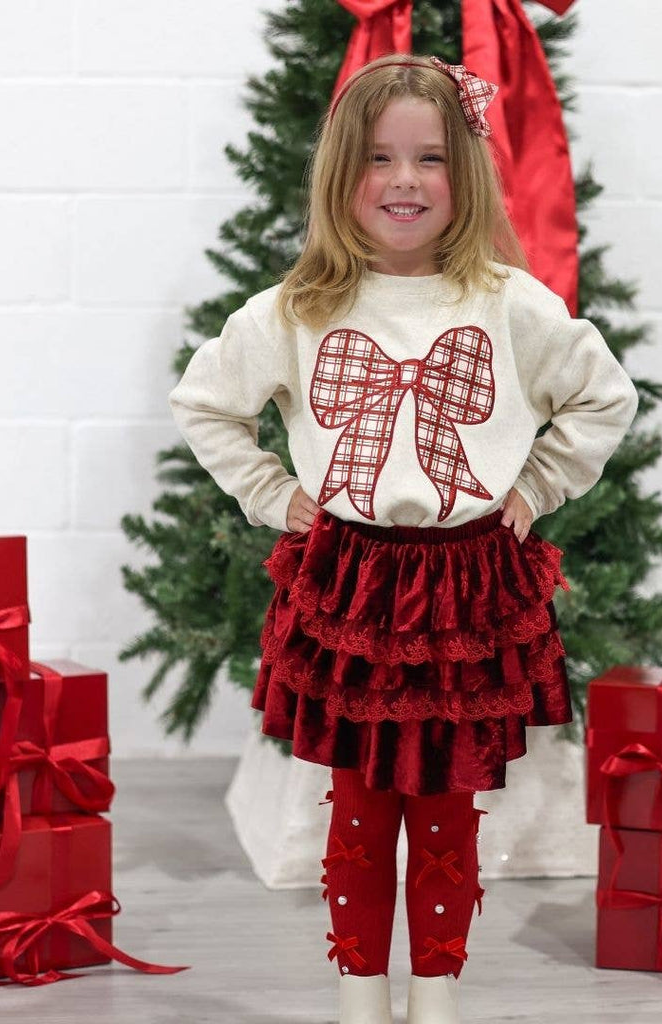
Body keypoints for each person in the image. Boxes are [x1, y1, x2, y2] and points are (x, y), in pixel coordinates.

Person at [169, 53, 638, 1024]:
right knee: (356, 802)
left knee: (445, 802)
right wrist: (271, 491)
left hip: (468, 582)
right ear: (342, 175)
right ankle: (357, 991)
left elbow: (602, 396)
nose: (404, 181)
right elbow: (206, 403)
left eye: (429, 158)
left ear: (463, 174)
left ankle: (436, 993)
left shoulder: (508, 303)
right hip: (349, 581)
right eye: (379, 159)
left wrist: (540, 481)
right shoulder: (299, 308)